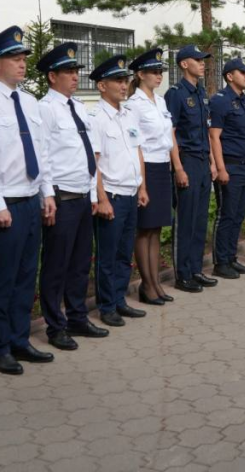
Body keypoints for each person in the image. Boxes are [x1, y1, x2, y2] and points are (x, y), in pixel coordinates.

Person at [0, 26, 57, 375]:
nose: (22, 64)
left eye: (23, 59)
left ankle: (21, 340)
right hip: (6, 202)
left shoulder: (30, 102)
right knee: (2, 278)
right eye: (15, 59)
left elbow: (41, 151)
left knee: (25, 274)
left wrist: (47, 192)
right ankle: (0, 346)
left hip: (31, 198)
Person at [35, 43, 110, 352]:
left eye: (76, 71)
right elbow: (43, 155)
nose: (75, 76)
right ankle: (55, 326)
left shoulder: (78, 107)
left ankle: (78, 317)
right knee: (57, 264)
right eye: (68, 72)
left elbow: (87, 154)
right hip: (61, 197)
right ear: (52, 76)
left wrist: (92, 194)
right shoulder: (45, 108)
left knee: (80, 263)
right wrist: (47, 195)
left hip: (81, 196)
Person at [87, 54, 149, 327]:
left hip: (131, 192)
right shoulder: (96, 118)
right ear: (102, 86)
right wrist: (101, 198)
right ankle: (107, 306)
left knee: (124, 253)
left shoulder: (128, 114)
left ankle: (120, 299)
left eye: (125, 80)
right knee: (108, 255)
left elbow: (138, 151)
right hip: (111, 195)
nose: (124, 85)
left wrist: (142, 186)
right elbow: (95, 163)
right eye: (117, 81)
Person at [165, 45, 219, 293]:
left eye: (203, 60)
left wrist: (212, 163)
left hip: (203, 161)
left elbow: (207, 130)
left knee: (199, 219)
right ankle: (183, 274)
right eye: (198, 60)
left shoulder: (201, 93)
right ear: (184, 64)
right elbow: (171, 132)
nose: (202, 63)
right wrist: (178, 168)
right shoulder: (176, 94)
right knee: (185, 219)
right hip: (186, 161)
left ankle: (196, 269)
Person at [125, 48, 176, 305]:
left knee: (156, 228)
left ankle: (155, 282)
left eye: (160, 72)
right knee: (144, 229)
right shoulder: (133, 104)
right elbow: (135, 145)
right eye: (154, 72)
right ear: (140, 74)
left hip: (162, 166)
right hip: (146, 168)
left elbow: (168, 136)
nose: (159, 76)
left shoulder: (161, 101)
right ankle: (146, 285)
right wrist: (142, 184)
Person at [209, 58, 245, 279]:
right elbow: (214, 137)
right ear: (230, 76)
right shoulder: (220, 101)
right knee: (227, 215)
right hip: (230, 166)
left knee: (239, 215)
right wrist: (220, 168)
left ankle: (231, 258)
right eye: (242, 72)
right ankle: (221, 262)